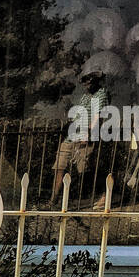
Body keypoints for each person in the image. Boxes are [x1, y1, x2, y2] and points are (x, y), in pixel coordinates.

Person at [51, 67, 108, 204]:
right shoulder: (85, 96)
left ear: (95, 80)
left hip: (84, 136)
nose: (86, 83)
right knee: (59, 166)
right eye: (84, 80)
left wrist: (88, 133)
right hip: (71, 136)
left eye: (89, 80)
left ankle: (105, 194)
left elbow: (96, 117)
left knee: (85, 170)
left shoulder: (100, 94)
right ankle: (53, 200)